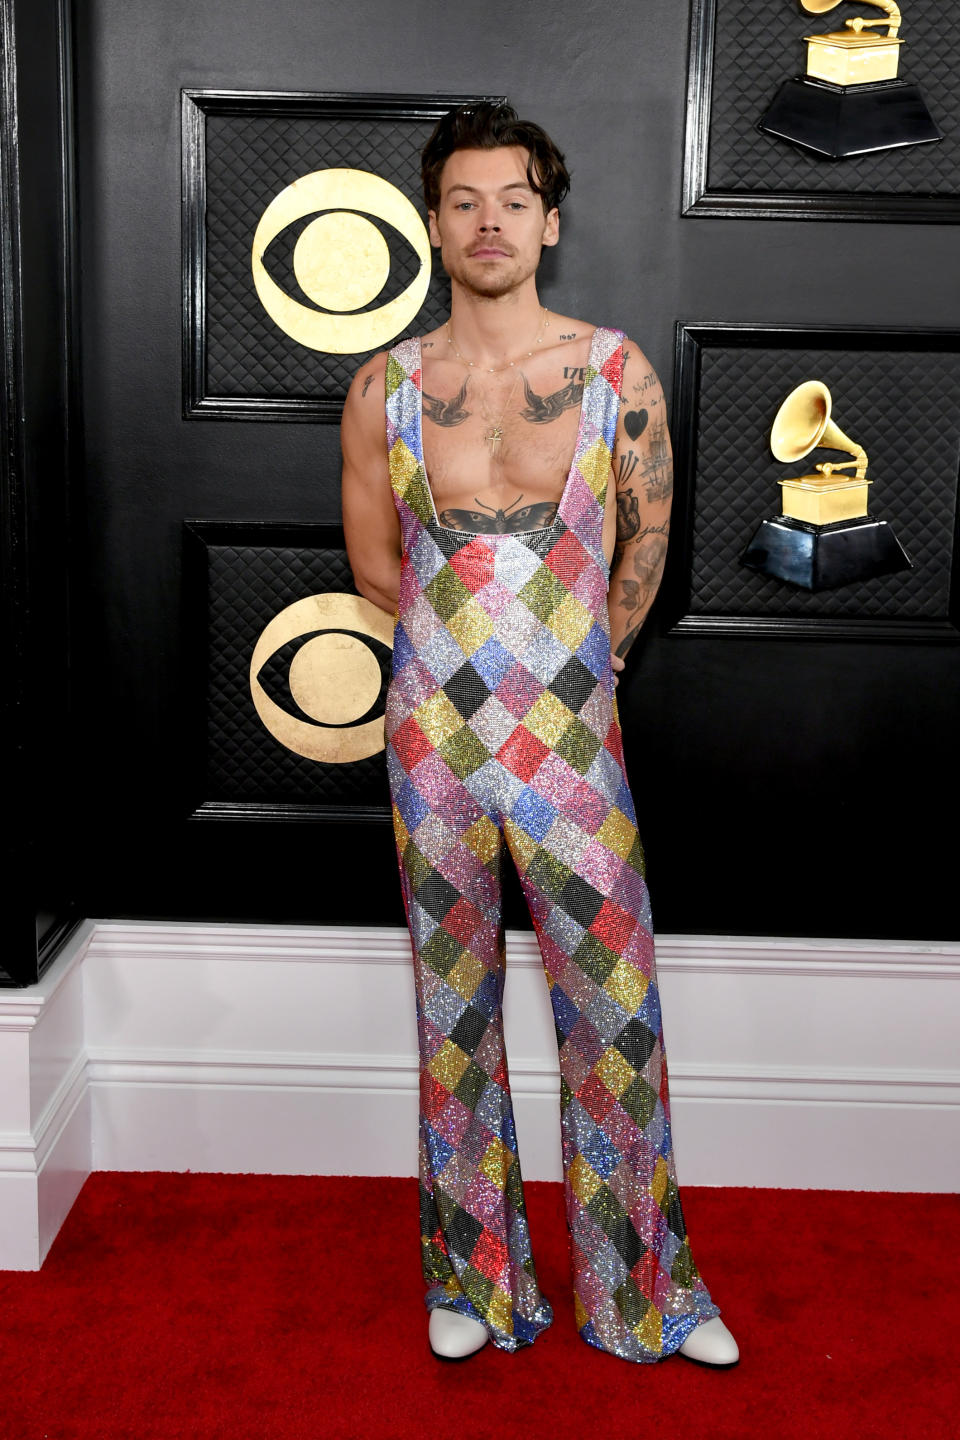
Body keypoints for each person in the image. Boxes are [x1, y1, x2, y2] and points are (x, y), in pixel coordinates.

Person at [340, 102, 738, 1368]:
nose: (490, 220)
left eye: (513, 198)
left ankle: (649, 1295)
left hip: (574, 736)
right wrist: (472, 677)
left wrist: (582, 664)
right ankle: (473, 1281)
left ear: (549, 219)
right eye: (463, 200)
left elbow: (649, 543)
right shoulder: (385, 388)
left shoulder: (614, 372)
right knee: (450, 1009)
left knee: (614, 1006)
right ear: (436, 223)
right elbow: (376, 569)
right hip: (431, 741)